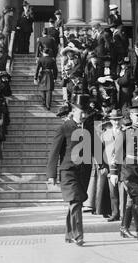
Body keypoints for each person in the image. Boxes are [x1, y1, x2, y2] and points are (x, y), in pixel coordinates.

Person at [47, 94, 93, 246]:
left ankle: (69, 234)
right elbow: (54, 152)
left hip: (83, 172)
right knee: (75, 201)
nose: (84, 115)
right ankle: (78, 235)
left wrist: (104, 165)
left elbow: (95, 148)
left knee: (75, 203)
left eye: (86, 112)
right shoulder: (64, 128)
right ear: (73, 111)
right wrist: (51, 175)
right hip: (68, 171)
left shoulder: (88, 128)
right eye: (81, 112)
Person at [109, 102, 138, 240]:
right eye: (137, 116)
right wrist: (114, 172)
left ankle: (124, 228)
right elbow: (116, 154)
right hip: (128, 172)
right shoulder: (125, 133)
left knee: (131, 201)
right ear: (131, 116)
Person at [101, 109, 126, 222]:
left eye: (118, 120)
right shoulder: (105, 134)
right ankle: (115, 213)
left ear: (121, 120)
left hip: (124, 165)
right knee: (113, 190)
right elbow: (100, 150)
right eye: (114, 120)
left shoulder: (126, 132)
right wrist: (103, 165)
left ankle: (123, 213)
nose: (116, 122)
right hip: (111, 166)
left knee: (123, 190)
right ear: (110, 121)